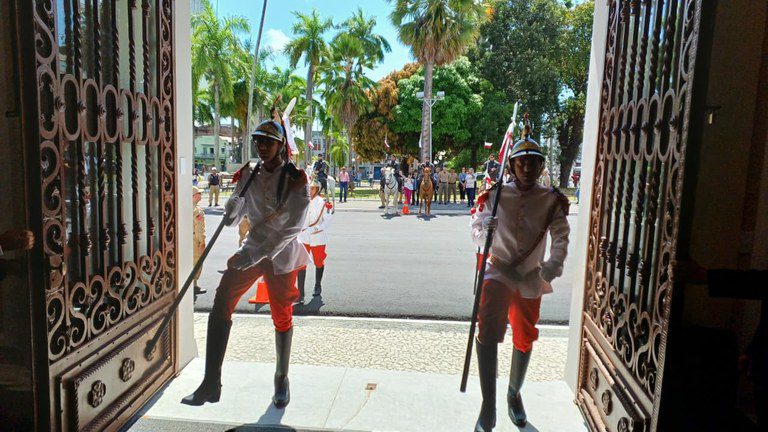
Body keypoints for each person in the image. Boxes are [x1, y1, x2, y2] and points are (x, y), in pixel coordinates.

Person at [182, 119, 310, 409]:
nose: (262, 147)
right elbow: (236, 214)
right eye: (258, 141)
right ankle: (210, 382)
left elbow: (293, 226)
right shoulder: (249, 174)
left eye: (268, 142)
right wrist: (232, 210)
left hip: (280, 254)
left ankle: (281, 378)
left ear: (281, 146)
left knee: (281, 314)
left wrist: (258, 254)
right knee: (222, 300)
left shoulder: (295, 178)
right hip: (252, 246)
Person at [470, 121, 570, 431]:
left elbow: (561, 238)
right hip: (497, 271)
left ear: (541, 166)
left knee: (525, 337)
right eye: (521, 161)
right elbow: (475, 228)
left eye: (533, 162)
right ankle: (489, 406)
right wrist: (481, 232)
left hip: (529, 278)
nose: (527, 166)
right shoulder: (495, 194)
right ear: (512, 165)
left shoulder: (552, 199)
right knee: (487, 332)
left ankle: (514, 394)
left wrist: (550, 270)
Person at [297, 180, 332, 302]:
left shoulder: (323, 203)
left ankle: (318, 285)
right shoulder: (301, 202)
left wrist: (315, 228)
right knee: (301, 264)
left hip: (317, 237)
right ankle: (300, 293)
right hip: (304, 238)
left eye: (312, 188)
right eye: (308, 188)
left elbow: (327, 220)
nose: (309, 191)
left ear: (317, 189)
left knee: (319, 262)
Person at [192, 186, 207, 296]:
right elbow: (199, 228)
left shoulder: (184, 207)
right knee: (197, 261)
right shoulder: (197, 210)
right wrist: (202, 241)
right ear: (194, 196)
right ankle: (193, 285)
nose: (200, 195)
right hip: (194, 240)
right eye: (199, 193)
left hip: (186, 239)